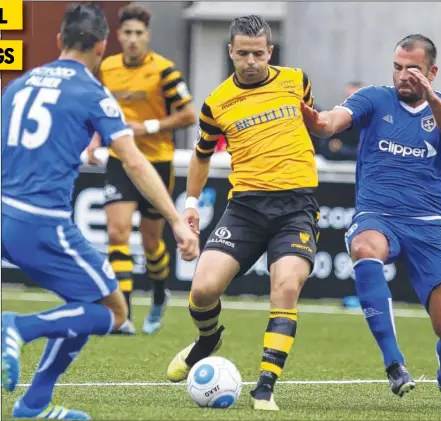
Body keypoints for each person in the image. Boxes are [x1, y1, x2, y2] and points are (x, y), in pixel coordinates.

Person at [1, 4, 198, 419]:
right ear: (102, 45)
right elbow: (134, 161)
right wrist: (177, 220)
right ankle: (18, 328)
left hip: (4, 210)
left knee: (83, 303)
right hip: (41, 222)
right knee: (112, 311)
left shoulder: (19, 85)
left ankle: (33, 405)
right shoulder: (93, 92)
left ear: (60, 40)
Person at [302, 34, 441, 410]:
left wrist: (431, 97)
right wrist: (318, 121)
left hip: (428, 225)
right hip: (378, 215)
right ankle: (394, 363)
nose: (403, 75)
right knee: (364, 247)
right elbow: (333, 121)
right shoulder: (374, 98)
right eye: (397, 66)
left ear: (432, 71)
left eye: (413, 69)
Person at [166, 15, 320, 411]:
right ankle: (207, 340)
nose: (251, 61)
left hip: (296, 207)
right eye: (243, 53)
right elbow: (201, 156)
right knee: (202, 290)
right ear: (230, 52)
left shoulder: (296, 80)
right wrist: (190, 205)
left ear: (270, 52)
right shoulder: (216, 102)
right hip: (246, 207)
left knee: (285, 287)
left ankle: (265, 386)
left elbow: (311, 124)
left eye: (259, 53)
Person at [89, 4, 196, 335]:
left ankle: (160, 294)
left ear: (147, 36)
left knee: (151, 242)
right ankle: (124, 315)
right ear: (118, 36)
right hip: (121, 161)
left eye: (139, 33)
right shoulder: (106, 68)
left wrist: (146, 127)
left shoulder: (164, 71)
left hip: (156, 162)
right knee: (117, 233)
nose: (133, 39)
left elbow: (189, 115)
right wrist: (94, 140)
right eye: (127, 33)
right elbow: (98, 109)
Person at [318, 81, 363, 161]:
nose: (352, 103)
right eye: (349, 98)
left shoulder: (370, 123)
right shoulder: (335, 119)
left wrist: (341, 149)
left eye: (355, 99)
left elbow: (365, 153)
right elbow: (324, 148)